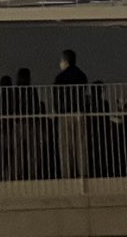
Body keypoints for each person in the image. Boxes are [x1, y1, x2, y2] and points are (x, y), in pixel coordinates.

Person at [53, 49, 89, 177]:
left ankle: (67, 174)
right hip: (79, 113)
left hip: (65, 114)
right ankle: (83, 173)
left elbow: (56, 97)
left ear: (65, 61)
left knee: (65, 146)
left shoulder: (60, 77)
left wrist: (57, 111)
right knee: (80, 145)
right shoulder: (82, 75)